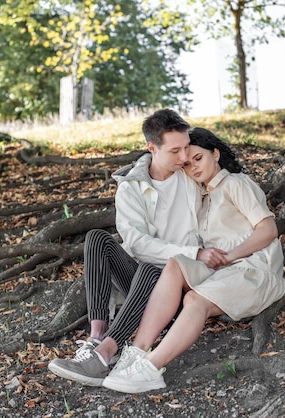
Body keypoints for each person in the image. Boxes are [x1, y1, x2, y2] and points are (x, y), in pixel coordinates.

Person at [102, 127, 285, 394]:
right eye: (187, 164)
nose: (192, 168)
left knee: (194, 300)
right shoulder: (202, 194)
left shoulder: (235, 183)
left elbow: (268, 230)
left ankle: (151, 369)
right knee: (176, 263)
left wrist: (231, 256)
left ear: (215, 153)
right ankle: (138, 352)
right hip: (222, 271)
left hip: (253, 271)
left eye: (198, 158)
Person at [48, 111, 228, 386]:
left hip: (181, 282)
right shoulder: (131, 188)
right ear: (152, 148)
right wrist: (194, 252)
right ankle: (97, 335)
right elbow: (137, 244)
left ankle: (106, 354)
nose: (184, 158)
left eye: (186, 148)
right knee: (97, 238)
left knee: (153, 267)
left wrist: (198, 255)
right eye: (175, 150)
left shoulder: (191, 176)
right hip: (142, 282)